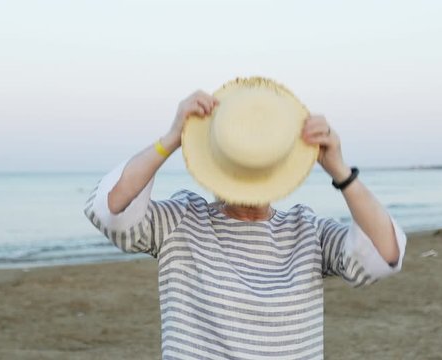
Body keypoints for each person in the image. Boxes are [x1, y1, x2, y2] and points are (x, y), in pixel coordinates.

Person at [85, 81, 407, 359]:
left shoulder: (305, 230)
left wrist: (340, 170)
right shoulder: (183, 220)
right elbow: (111, 210)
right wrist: (171, 138)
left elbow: (384, 253)